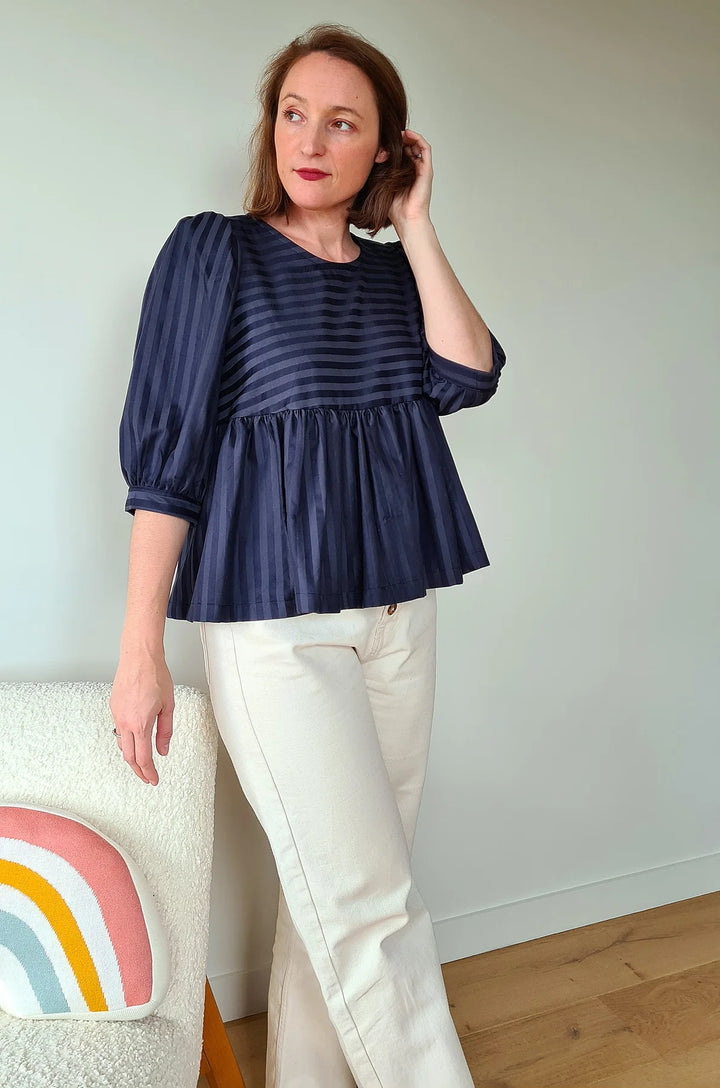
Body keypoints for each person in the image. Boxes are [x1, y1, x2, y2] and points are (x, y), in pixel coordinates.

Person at [110, 21, 506, 1088]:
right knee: (372, 909)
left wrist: (415, 224)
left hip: (399, 618)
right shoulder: (215, 253)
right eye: (294, 114)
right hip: (274, 629)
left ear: (387, 149)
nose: (310, 140)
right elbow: (167, 460)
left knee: (338, 898)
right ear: (270, 126)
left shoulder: (393, 276)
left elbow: (468, 375)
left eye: (342, 122)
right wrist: (140, 648)